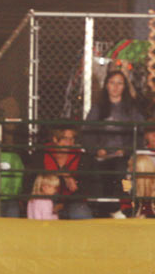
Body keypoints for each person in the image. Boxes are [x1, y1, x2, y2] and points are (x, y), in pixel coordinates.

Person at [83, 70, 144, 218]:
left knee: (123, 177)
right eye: (112, 83)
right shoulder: (97, 109)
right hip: (102, 156)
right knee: (99, 173)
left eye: (120, 83)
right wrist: (97, 150)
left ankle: (124, 206)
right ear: (106, 86)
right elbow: (87, 133)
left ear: (124, 87)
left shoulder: (131, 110)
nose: (115, 87)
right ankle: (105, 210)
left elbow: (140, 133)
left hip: (123, 156)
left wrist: (126, 150)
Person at [24, 126, 94, 220]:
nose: (69, 143)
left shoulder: (82, 157)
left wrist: (63, 204)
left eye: (72, 139)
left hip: (71, 203)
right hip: (43, 200)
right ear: (55, 139)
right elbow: (30, 183)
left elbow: (86, 188)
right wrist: (63, 175)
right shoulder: (40, 155)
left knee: (81, 212)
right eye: (65, 139)